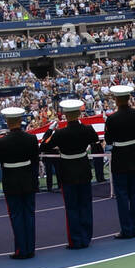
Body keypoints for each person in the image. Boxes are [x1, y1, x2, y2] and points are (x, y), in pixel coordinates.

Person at [42, 98, 98, 248]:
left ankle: (75, 239)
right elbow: (95, 139)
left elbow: (43, 145)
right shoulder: (88, 129)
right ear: (79, 113)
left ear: (65, 115)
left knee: (72, 207)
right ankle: (86, 237)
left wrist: (49, 130)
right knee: (85, 205)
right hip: (83, 169)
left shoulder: (60, 133)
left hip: (67, 171)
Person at [0, 105, 40, 259]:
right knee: (29, 215)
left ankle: (21, 249)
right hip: (28, 179)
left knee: (17, 216)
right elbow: (35, 160)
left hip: (11, 181)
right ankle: (30, 248)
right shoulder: (31, 138)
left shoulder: (1, 142)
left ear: (7, 121)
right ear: (20, 120)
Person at [105, 84, 135, 239]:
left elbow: (108, 139)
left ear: (116, 99)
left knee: (122, 195)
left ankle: (127, 229)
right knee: (134, 194)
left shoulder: (112, 118)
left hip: (120, 157)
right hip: (133, 154)